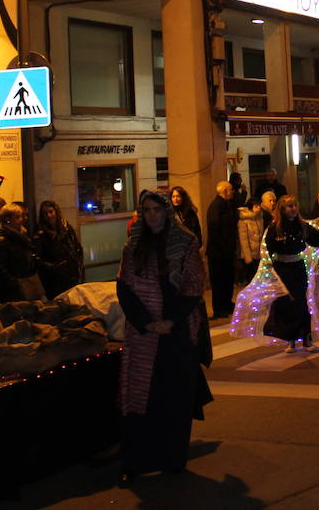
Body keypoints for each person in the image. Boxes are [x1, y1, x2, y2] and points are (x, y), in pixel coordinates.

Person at [117, 191, 212, 480]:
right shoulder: (134, 246)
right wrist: (147, 322)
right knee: (141, 398)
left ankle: (173, 459)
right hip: (144, 334)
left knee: (174, 398)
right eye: (146, 210)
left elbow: (194, 286)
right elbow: (124, 287)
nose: (152, 215)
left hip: (177, 331)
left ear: (166, 211)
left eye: (157, 209)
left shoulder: (185, 242)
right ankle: (136, 463)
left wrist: (170, 320)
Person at [258, 195, 319, 351]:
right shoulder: (274, 228)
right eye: (289, 206)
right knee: (285, 304)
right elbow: (268, 250)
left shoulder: (302, 226)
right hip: (282, 269)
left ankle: (306, 338)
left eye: (295, 206)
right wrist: (269, 270)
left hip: (297, 268)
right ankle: (290, 339)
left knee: (301, 303)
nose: (293, 209)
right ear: (282, 209)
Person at [0, 203, 44, 302]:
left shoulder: (21, 236)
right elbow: (0, 266)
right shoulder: (2, 239)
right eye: (17, 217)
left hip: (27, 280)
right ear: (8, 220)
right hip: (16, 288)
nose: (22, 219)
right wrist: (14, 284)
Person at [33, 200, 82, 299]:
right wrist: (53, 267)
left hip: (71, 274)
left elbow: (76, 246)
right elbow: (38, 259)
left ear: (56, 211)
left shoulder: (66, 228)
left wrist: (77, 262)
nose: (49, 215)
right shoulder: (41, 234)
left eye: (51, 212)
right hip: (54, 279)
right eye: (45, 213)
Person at [205, 181, 240, 317]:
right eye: (231, 190)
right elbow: (215, 229)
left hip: (226, 250)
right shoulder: (216, 206)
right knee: (219, 280)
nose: (233, 192)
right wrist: (224, 247)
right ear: (225, 191)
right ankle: (219, 307)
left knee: (227, 279)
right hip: (218, 252)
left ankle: (226, 303)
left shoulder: (226, 205)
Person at [237, 190, 275, 282]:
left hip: (259, 254)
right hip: (250, 255)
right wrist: (248, 257)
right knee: (251, 278)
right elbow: (244, 241)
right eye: (256, 206)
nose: (258, 208)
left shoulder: (260, 219)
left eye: (259, 206)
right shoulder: (244, 221)